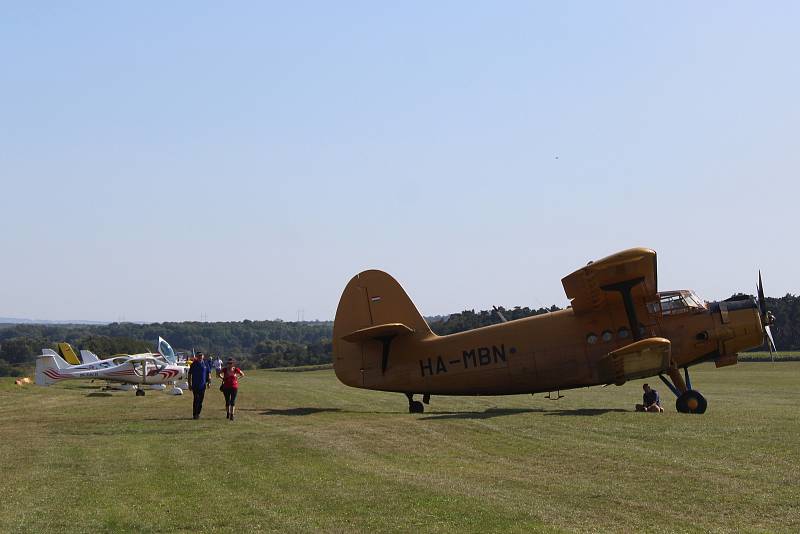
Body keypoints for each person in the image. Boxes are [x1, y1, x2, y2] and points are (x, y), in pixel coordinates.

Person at [188, 352, 212, 419]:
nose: (200, 357)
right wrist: (189, 384)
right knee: (196, 399)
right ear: (197, 356)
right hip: (195, 385)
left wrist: (209, 382)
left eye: (201, 355)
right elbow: (189, 374)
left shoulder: (205, 363)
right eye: (199, 356)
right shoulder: (193, 364)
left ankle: (198, 413)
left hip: (203, 385)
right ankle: (194, 414)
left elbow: (209, 373)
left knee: (201, 400)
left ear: (203, 356)